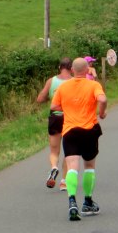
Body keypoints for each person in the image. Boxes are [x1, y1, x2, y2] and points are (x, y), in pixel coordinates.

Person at [51, 58, 107, 221]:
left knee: (72, 167)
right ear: (87, 69)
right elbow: (102, 99)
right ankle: (88, 201)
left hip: (70, 130)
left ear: (72, 70)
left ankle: (72, 201)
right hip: (89, 129)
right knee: (89, 165)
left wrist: (67, 108)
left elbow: (54, 107)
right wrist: (101, 113)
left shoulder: (63, 87)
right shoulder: (93, 85)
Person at [36, 57, 73, 191]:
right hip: (70, 118)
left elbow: (39, 99)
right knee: (69, 151)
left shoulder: (51, 81)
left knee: (54, 150)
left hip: (55, 117)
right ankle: (64, 182)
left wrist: (49, 98)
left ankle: (54, 167)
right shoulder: (74, 82)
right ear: (71, 68)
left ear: (59, 67)